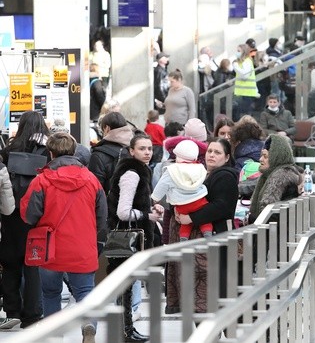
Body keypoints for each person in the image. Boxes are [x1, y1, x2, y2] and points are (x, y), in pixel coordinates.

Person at [20, 132, 107, 343]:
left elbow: (29, 215)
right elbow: (102, 215)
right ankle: (88, 326)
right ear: (74, 151)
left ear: (50, 153)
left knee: (50, 293)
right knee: (85, 291)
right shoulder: (91, 180)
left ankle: (54, 334)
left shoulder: (42, 180)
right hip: (82, 245)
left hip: (50, 247)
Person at [168, 138, 239, 313]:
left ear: (227, 157)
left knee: (211, 291)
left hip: (215, 238)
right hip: (198, 241)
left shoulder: (225, 176)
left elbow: (222, 206)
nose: (212, 155)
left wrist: (191, 217)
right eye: (210, 151)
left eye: (217, 152)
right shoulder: (199, 173)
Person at [106, 134, 162, 342]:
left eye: (149, 148)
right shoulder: (132, 173)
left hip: (129, 237)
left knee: (127, 287)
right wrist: (147, 215)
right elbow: (123, 212)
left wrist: (150, 205)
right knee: (126, 287)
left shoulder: (137, 171)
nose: (147, 152)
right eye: (141, 148)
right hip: (127, 238)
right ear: (131, 151)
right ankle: (126, 330)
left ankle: (127, 329)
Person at [0, 111, 49, 330]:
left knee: (10, 263)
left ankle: (12, 311)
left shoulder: (8, 151)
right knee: (33, 264)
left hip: (10, 214)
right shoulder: (48, 151)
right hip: (36, 215)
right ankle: (32, 314)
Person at [151, 139, 211, 241]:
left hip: (182, 205)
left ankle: (183, 238)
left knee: (184, 223)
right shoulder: (200, 168)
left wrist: (155, 198)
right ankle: (208, 233)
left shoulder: (172, 170)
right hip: (200, 202)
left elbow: (162, 186)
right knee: (205, 222)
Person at [247, 134, 304, 223]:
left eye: (265, 156)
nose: (260, 159)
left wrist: (251, 218)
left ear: (276, 158)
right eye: (261, 155)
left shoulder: (284, 180)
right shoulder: (266, 176)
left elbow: (276, 218)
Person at [88, 112, 134, 193]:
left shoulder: (99, 154)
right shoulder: (135, 149)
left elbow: (95, 189)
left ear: (107, 128)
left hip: (109, 203)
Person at [232, 43, 260, 120]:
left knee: (244, 115)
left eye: (239, 51)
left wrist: (236, 67)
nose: (237, 52)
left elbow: (245, 75)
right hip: (242, 92)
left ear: (244, 51)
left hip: (247, 93)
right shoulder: (241, 62)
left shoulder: (247, 61)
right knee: (240, 114)